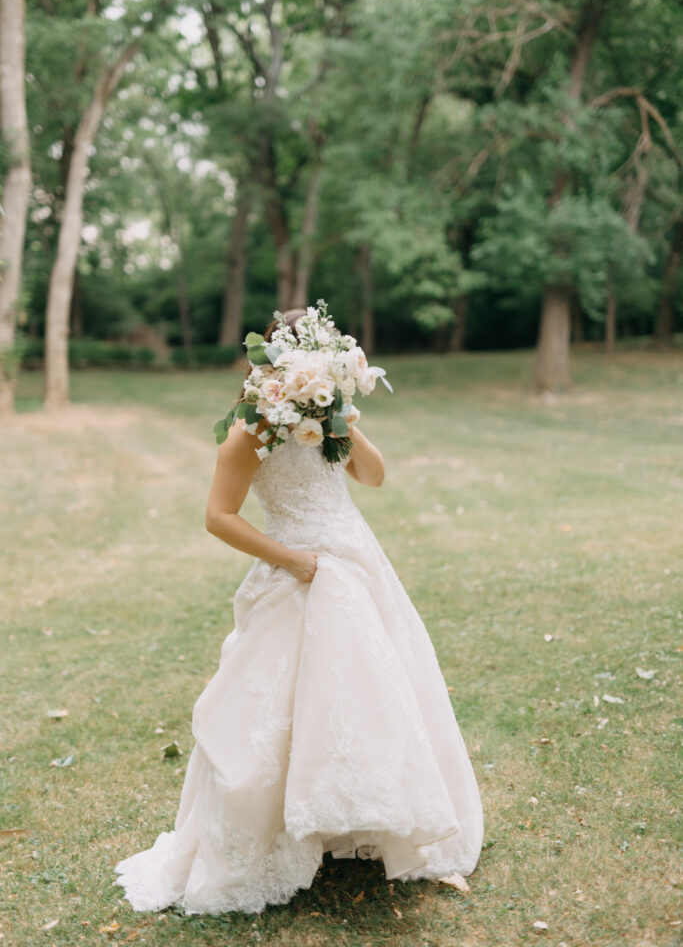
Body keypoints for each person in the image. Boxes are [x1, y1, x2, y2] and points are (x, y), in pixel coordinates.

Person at [114, 307, 484, 916]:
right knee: (285, 705)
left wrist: (339, 410)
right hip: (304, 566)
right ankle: (279, 836)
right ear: (275, 364)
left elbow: (374, 476)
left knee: (368, 693)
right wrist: (293, 561)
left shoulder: (326, 417)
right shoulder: (253, 425)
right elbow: (218, 516)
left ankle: (360, 823)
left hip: (360, 561)